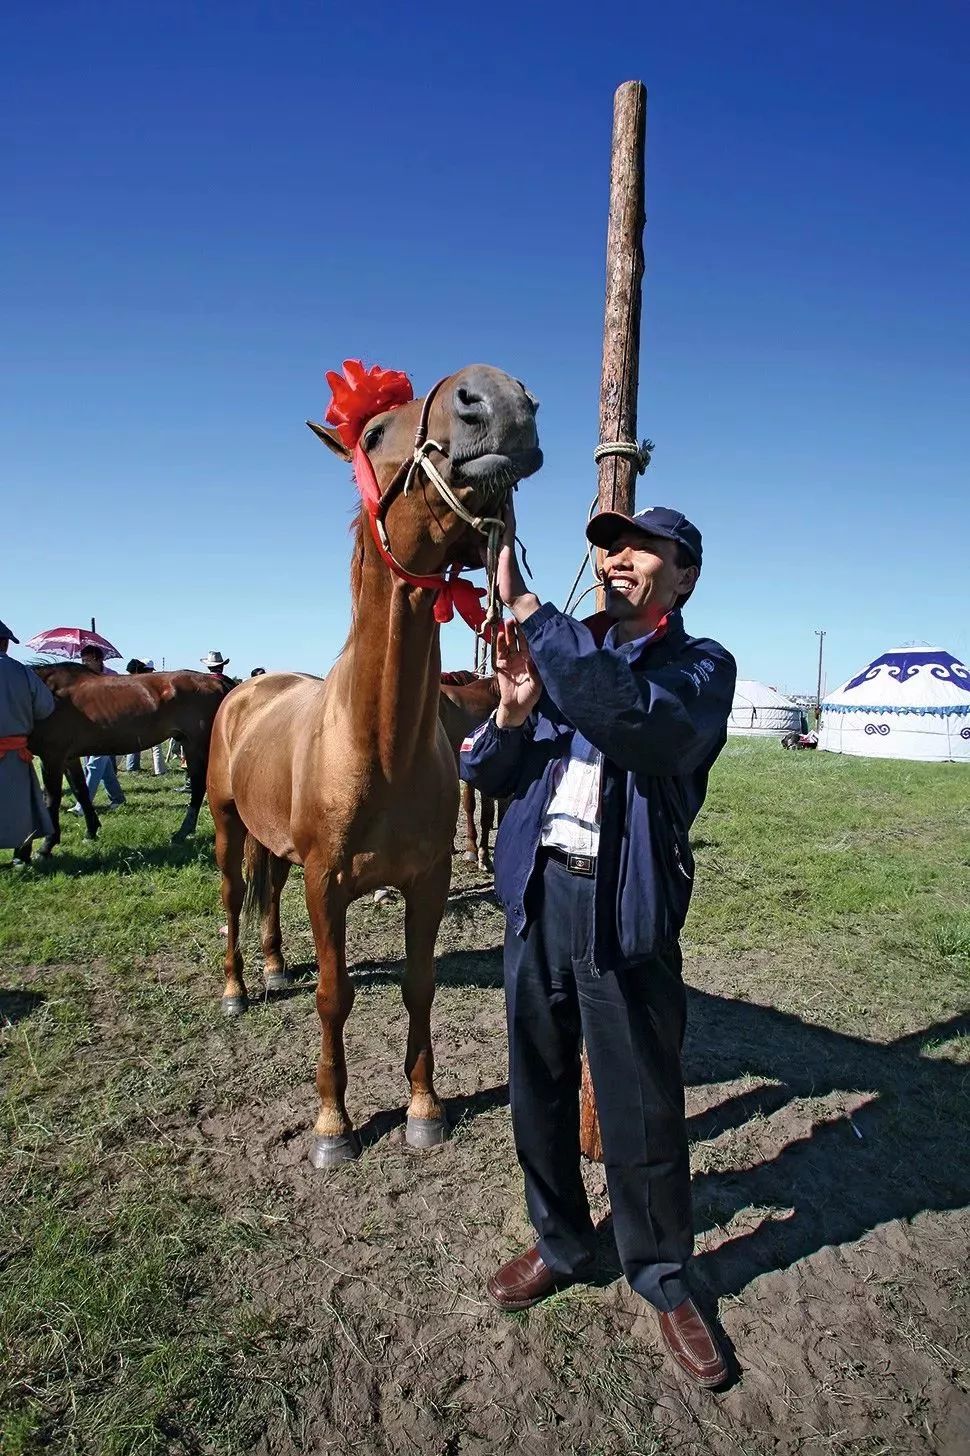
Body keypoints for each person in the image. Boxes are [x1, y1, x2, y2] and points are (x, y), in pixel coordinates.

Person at [460, 504, 737, 1389]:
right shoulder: (563, 657)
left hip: (625, 907)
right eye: (609, 547)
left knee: (642, 1106)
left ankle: (661, 1277)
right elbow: (489, 774)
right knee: (536, 1088)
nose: (616, 559)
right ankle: (562, 1243)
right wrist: (509, 716)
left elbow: (637, 723)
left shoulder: (699, 668)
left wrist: (537, 621)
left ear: (685, 575)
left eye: (639, 548)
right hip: (542, 900)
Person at [0, 618, 56, 865]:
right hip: (13, 753)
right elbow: (46, 708)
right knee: (20, 806)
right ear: (5, 644)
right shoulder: (23, 672)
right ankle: (21, 857)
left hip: (12, 750)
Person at [68, 645, 125, 812]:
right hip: (89, 727)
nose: (85, 663)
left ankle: (83, 804)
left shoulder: (113, 676)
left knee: (94, 764)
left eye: (88, 660)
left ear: (99, 659)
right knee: (103, 767)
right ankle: (118, 798)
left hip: (109, 727)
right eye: (83, 660)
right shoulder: (80, 678)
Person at [122, 659, 166, 775]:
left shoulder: (128, 680)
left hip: (133, 716)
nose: (151, 672)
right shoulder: (144, 682)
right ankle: (159, 770)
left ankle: (131, 766)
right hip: (145, 715)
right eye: (150, 669)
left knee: (132, 741)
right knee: (156, 744)